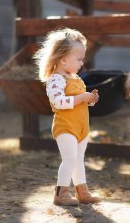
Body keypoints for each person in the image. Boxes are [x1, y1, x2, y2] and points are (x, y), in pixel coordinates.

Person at [34, 28, 101, 206]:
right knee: (69, 159)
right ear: (63, 59)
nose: (82, 63)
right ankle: (61, 193)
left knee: (79, 159)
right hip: (66, 127)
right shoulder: (56, 79)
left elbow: (81, 102)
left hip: (81, 127)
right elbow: (58, 102)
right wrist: (81, 98)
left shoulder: (77, 78)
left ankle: (82, 191)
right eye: (78, 59)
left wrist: (90, 100)